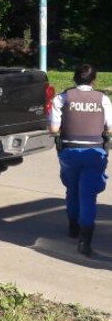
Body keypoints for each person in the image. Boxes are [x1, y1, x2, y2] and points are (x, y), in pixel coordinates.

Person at [49, 63, 112, 257]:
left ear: (74, 78)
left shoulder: (62, 98)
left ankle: (72, 227)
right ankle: (85, 242)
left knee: (72, 189)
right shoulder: (103, 99)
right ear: (94, 80)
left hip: (69, 152)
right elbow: (110, 128)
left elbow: (53, 129)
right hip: (94, 153)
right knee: (88, 195)